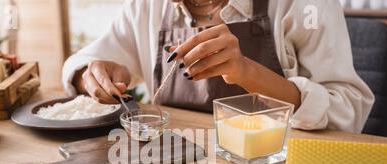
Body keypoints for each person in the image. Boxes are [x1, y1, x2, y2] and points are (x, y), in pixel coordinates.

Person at [62, 0, 374, 133]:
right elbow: (83, 63)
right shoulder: (148, 6)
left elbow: (349, 111)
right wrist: (89, 75)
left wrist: (248, 73)